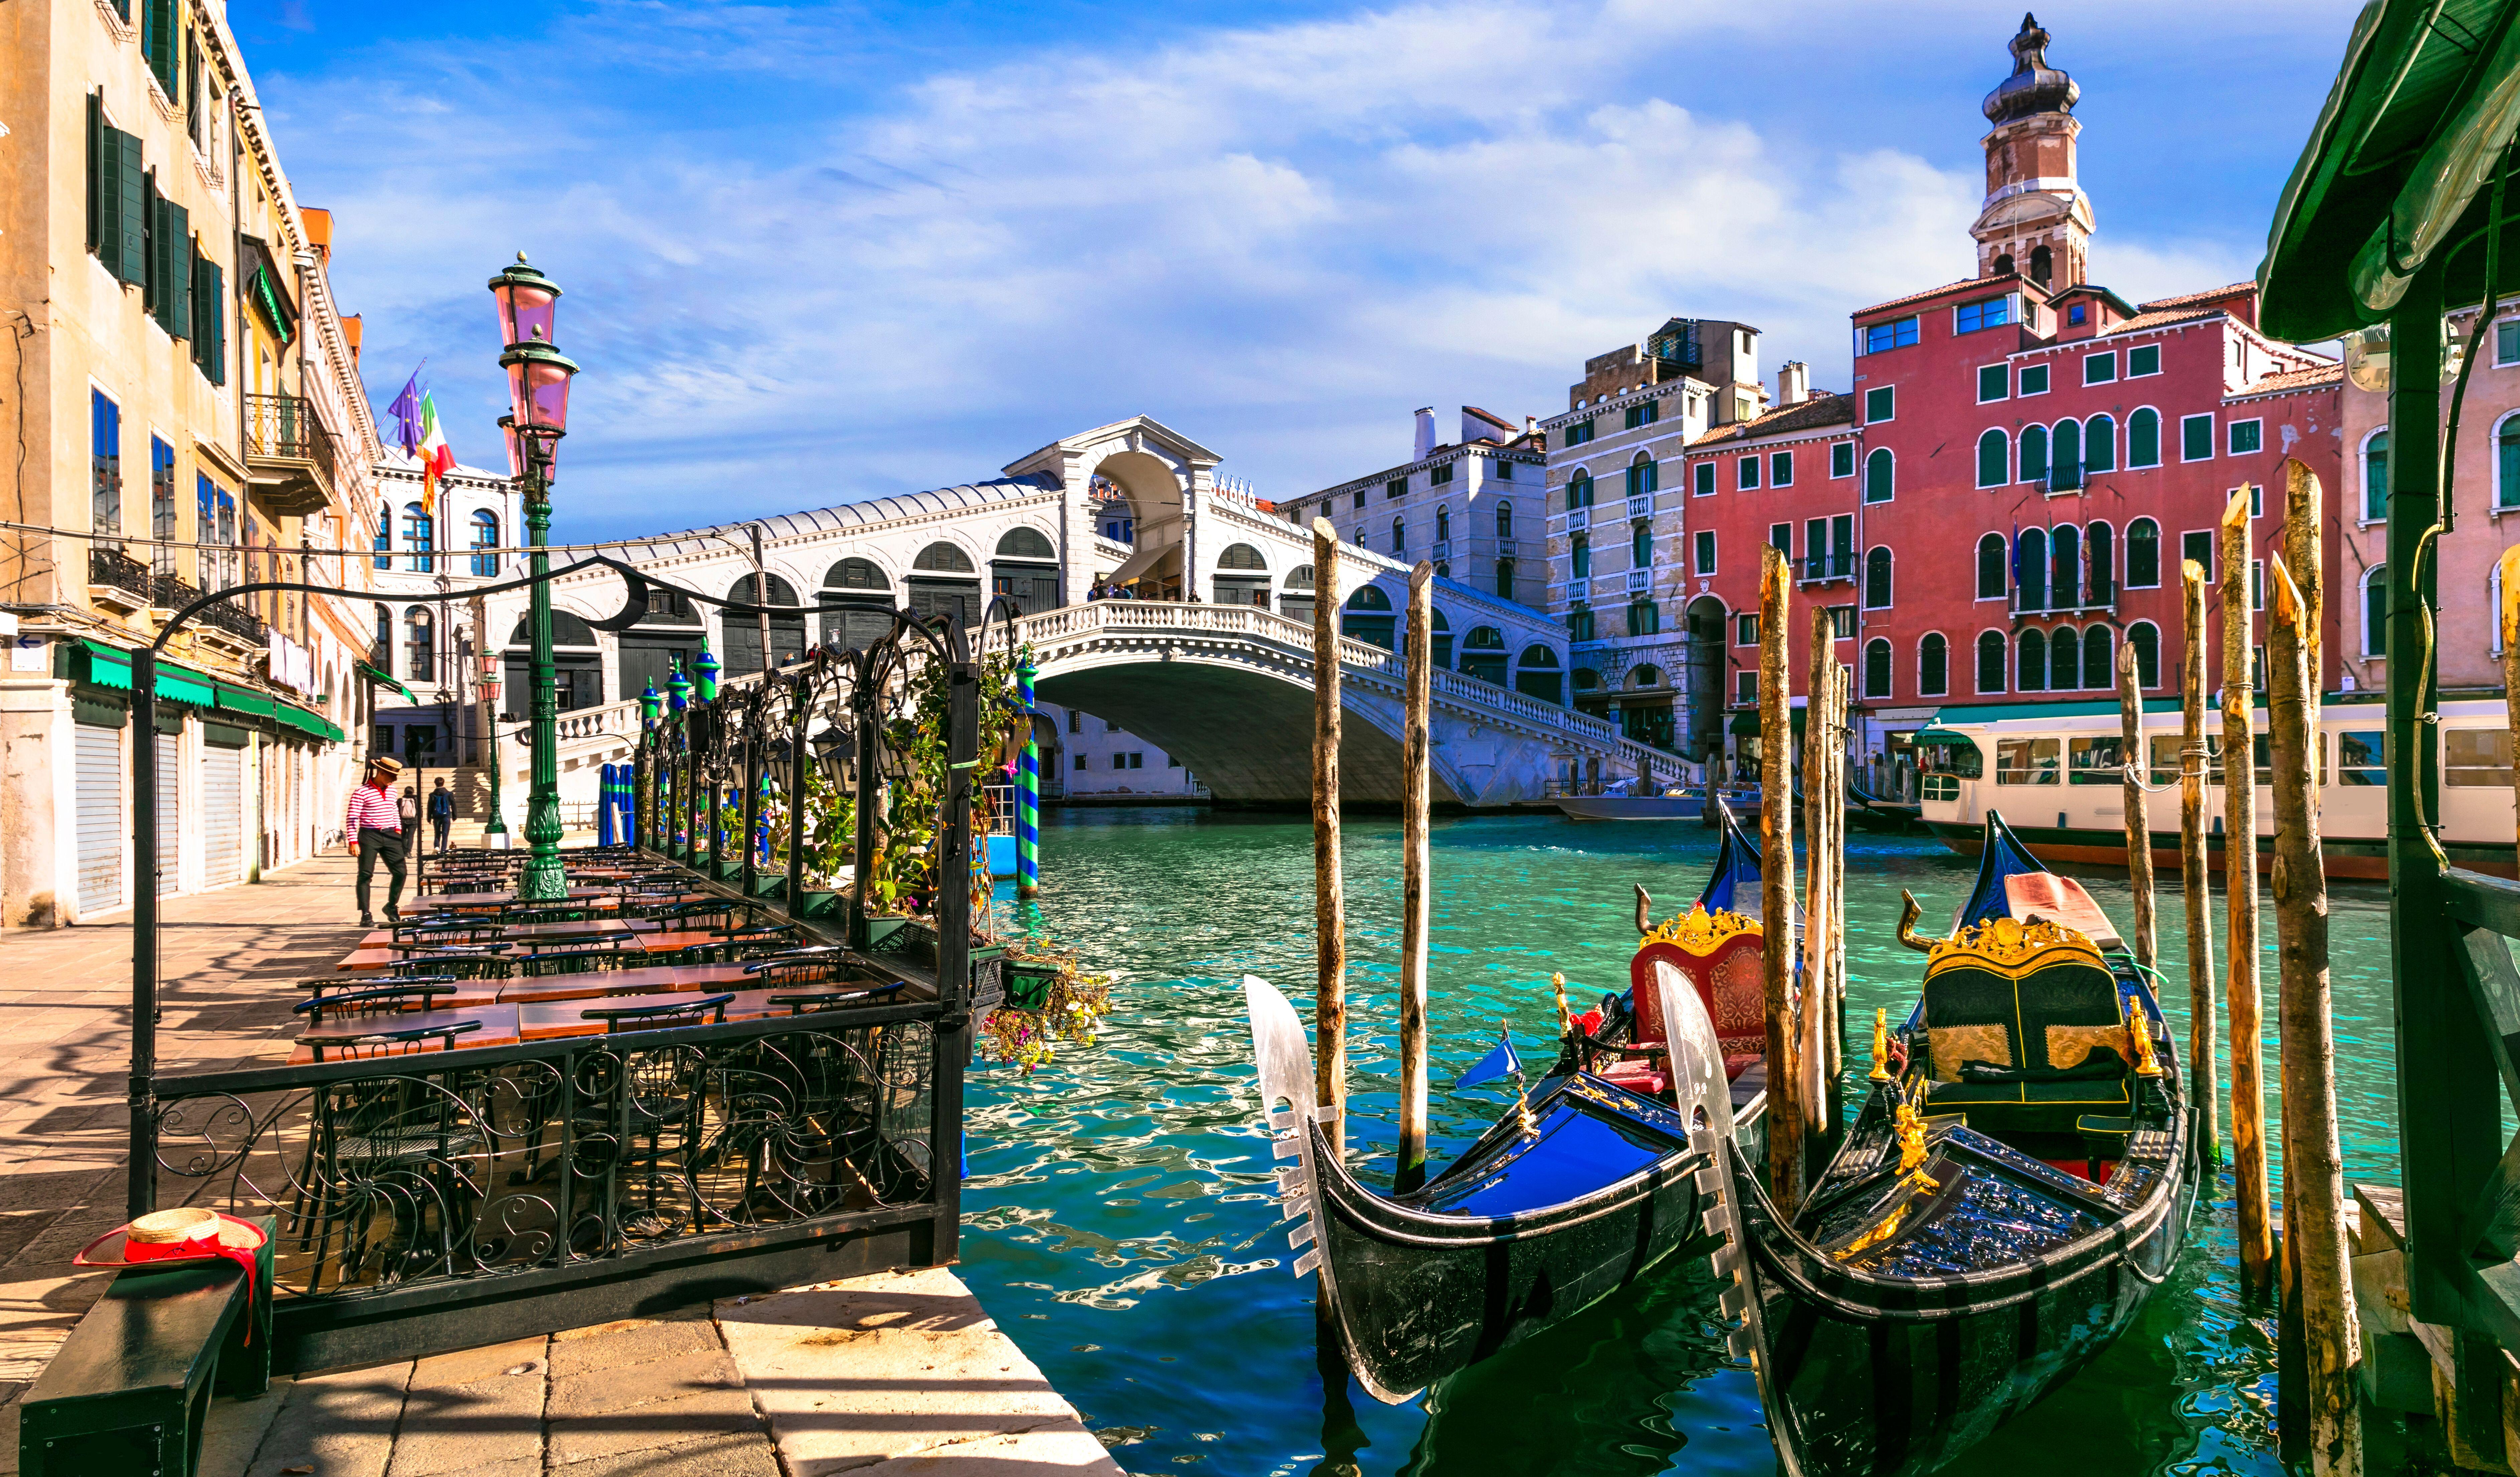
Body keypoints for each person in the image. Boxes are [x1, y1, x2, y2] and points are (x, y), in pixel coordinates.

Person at [344, 756, 407, 926]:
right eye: (392, 776)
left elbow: (394, 810)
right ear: (381, 773)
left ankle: (391, 906)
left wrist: (398, 829)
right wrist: (353, 841)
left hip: (391, 835)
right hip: (369, 836)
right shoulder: (361, 792)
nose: (394, 780)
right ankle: (366, 913)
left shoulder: (392, 790)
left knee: (401, 872)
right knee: (365, 875)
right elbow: (352, 818)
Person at [428, 778, 454, 852]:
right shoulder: (449, 794)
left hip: (436, 817)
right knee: (445, 834)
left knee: (437, 832)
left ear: (435, 784)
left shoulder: (432, 795)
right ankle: (443, 850)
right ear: (444, 783)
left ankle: (437, 847)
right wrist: (455, 816)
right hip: (446, 816)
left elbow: (430, 807)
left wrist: (429, 818)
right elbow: (454, 805)